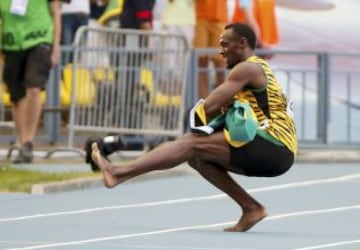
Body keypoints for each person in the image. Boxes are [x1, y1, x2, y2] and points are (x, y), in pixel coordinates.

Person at [89, 23, 298, 232]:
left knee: (192, 144)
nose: (221, 51)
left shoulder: (247, 68)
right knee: (197, 157)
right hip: (278, 151)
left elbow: (209, 108)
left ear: (242, 43)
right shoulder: (255, 69)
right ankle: (251, 208)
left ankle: (119, 172)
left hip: (274, 145)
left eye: (225, 44)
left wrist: (189, 132)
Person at [0, 0, 61, 163]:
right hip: (11, 43)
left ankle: (28, 141)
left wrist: (56, 47)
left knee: (34, 88)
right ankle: (22, 143)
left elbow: (56, 12)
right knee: (17, 96)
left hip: (39, 40)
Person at [194, 0, 228, 99]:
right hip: (201, 17)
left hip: (220, 18)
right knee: (201, 61)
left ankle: (221, 100)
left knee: (221, 63)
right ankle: (202, 102)